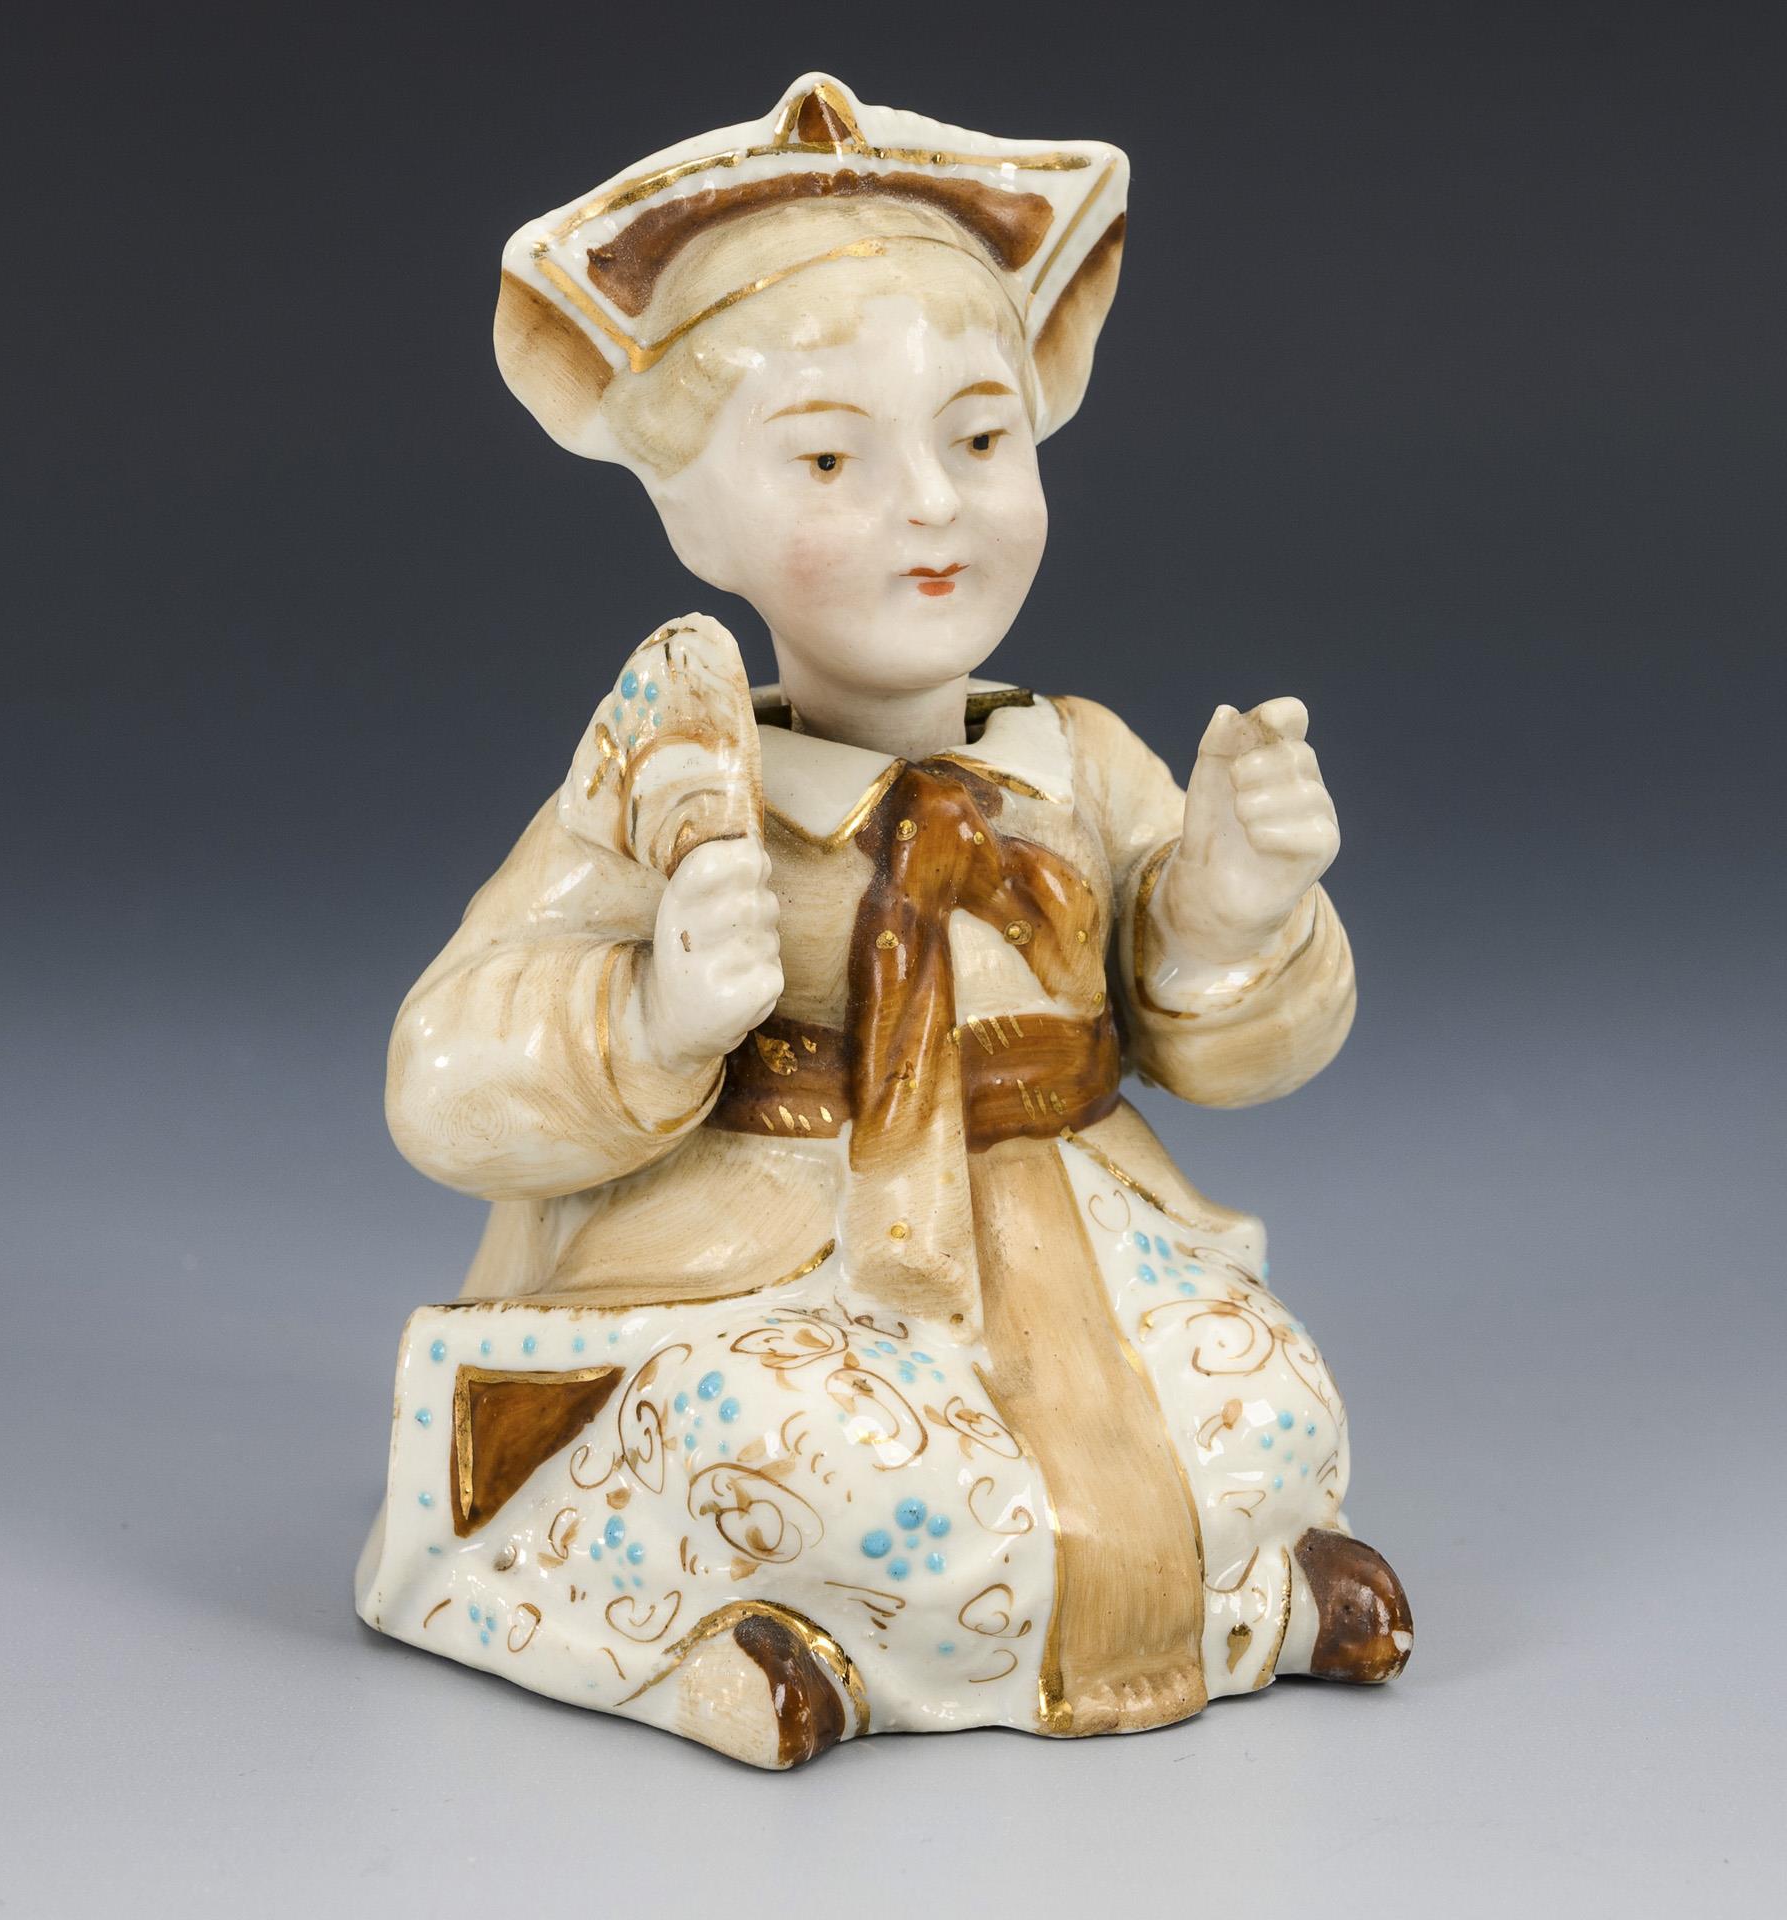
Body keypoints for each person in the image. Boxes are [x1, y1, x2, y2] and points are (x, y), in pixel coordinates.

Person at [355, 74, 1412, 1769]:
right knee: (829, 1455)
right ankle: (764, 1648)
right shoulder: (676, 782)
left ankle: (1223, 1597)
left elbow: (1223, 1048)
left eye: (981, 440)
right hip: (786, 1265)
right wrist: (649, 1017)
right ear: (692, 511)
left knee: (1263, 1398)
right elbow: (444, 1071)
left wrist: (1234, 905)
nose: (933, 505)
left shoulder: (1082, 762)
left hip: (1080, 1242)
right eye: (833, 456)